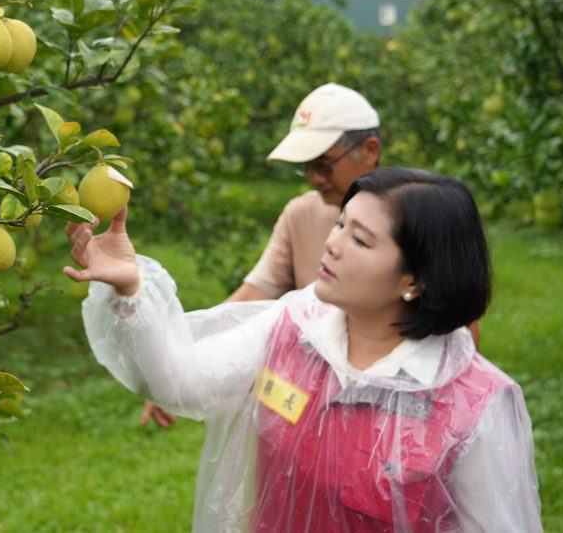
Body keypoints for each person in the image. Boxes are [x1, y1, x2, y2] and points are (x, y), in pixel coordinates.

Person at [65, 168, 541, 532]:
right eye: (339, 225)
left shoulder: (473, 406)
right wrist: (131, 291)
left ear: (413, 280)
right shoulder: (295, 328)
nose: (332, 246)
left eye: (359, 239)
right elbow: (180, 381)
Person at [145, 82, 384, 428]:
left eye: (324, 165)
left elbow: (457, 324)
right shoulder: (301, 214)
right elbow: (253, 294)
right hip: (314, 407)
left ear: (370, 150)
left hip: (385, 403)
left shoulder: (414, 220)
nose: (314, 178)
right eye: (306, 167)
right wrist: (180, 364)